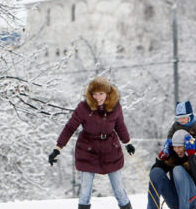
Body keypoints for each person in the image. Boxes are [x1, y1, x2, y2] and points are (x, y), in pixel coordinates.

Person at [48, 77, 135, 209]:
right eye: (94, 94)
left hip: (110, 150)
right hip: (88, 150)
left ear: (107, 93)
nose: (98, 97)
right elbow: (70, 127)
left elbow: (120, 126)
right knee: (85, 191)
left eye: (101, 93)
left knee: (119, 190)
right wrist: (57, 148)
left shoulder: (115, 107)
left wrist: (127, 142)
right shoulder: (84, 107)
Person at [148, 130, 196, 209]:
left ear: (186, 145)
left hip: (195, 199)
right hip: (176, 200)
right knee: (156, 172)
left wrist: (191, 155)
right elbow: (154, 175)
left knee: (178, 170)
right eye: (174, 147)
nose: (177, 150)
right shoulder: (173, 155)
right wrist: (163, 157)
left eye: (180, 147)